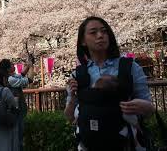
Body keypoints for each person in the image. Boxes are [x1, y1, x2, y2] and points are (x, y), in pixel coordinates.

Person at [64, 16, 155, 151]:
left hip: (127, 143)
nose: (100, 35)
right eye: (93, 32)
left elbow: (150, 110)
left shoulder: (130, 67)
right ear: (83, 41)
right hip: (89, 144)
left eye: (104, 31)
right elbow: (70, 116)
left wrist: (143, 106)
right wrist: (71, 96)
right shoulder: (78, 74)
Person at [0, 59, 19, 151]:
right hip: (4, 122)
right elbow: (14, 105)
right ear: (3, 78)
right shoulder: (5, 91)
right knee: (5, 144)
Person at [7, 59, 33, 151]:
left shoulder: (11, 77)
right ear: (7, 68)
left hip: (16, 110)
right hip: (16, 111)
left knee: (18, 135)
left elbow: (21, 75)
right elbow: (29, 80)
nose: (14, 65)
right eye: (11, 65)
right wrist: (32, 68)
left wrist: (28, 66)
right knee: (18, 135)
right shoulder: (10, 79)